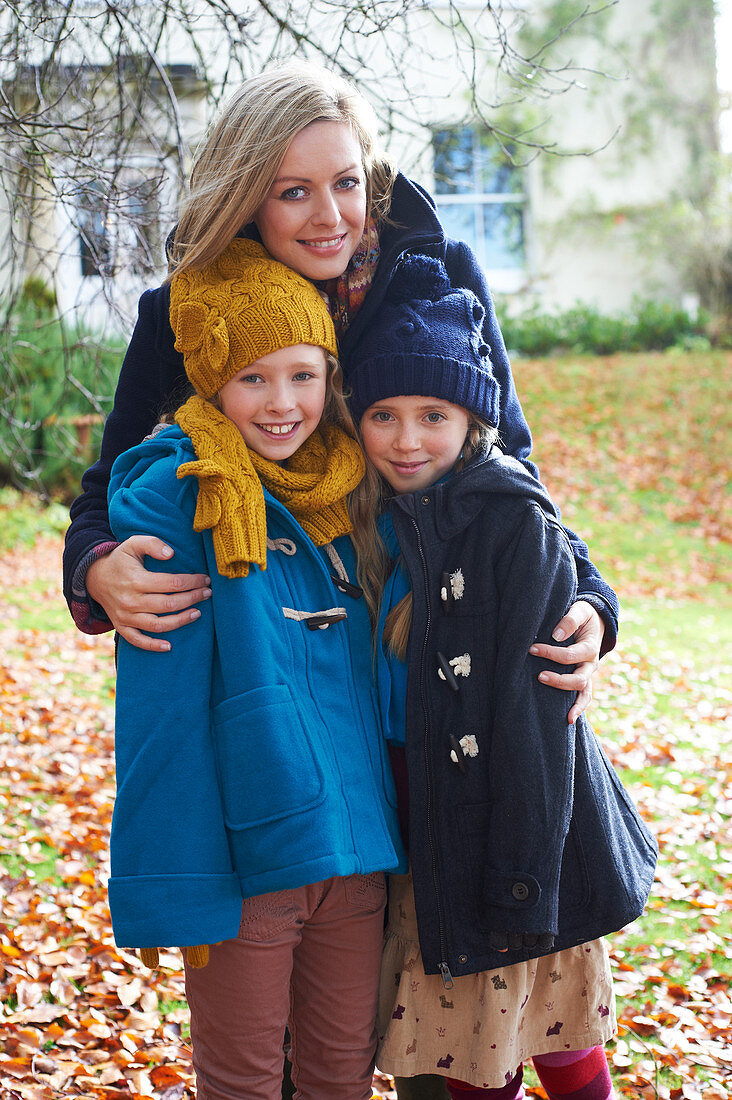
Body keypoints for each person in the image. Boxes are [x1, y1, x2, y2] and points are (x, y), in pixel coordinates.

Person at [63, 60, 618, 726]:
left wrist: (588, 594)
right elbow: (103, 490)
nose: (330, 217)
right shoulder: (184, 313)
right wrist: (95, 571)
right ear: (247, 199)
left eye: (345, 183)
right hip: (280, 663)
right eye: (293, 192)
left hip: (438, 635)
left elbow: (511, 462)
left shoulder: (441, 279)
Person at [344, 255, 658, 1100]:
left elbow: (536, 726)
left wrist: (520, 880)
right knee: (469, 1040)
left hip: (516, 833)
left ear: (474, 420)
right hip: (420, 823)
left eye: (433, 416)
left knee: (542, 1028)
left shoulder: (513, 524)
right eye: (384, 414)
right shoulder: (376, 524)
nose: (407, 440)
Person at [106, 241, 407, 1100]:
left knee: (342, 1076)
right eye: (253, 380)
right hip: (249, 863)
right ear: (211, 387)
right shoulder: (183, 488)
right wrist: (177, 876)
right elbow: (163, 708)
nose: (283, 404)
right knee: (240, 1082)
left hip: (357, 849)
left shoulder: (358, 487)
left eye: (304, 376)